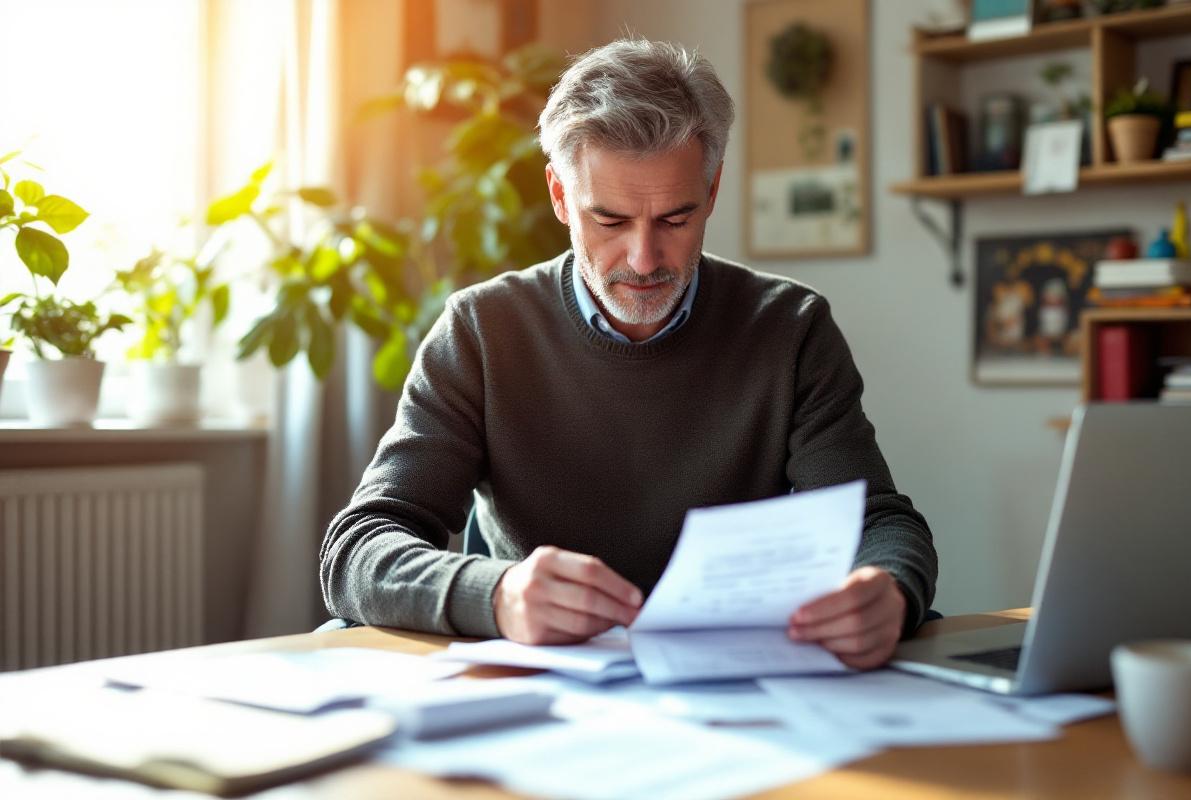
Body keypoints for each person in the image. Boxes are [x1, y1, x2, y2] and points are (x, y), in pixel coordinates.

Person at [321, 38, 937, 670]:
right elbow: (359, 549)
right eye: (610, 221)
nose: (644, 261)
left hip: (741, 688)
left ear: (713, 190)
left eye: (675, 219)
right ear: (560, 197)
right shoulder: (481, 331)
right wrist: (497, 593)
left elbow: (879, 523)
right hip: (541, 700)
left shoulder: (791, 330)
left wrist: (887, 589)